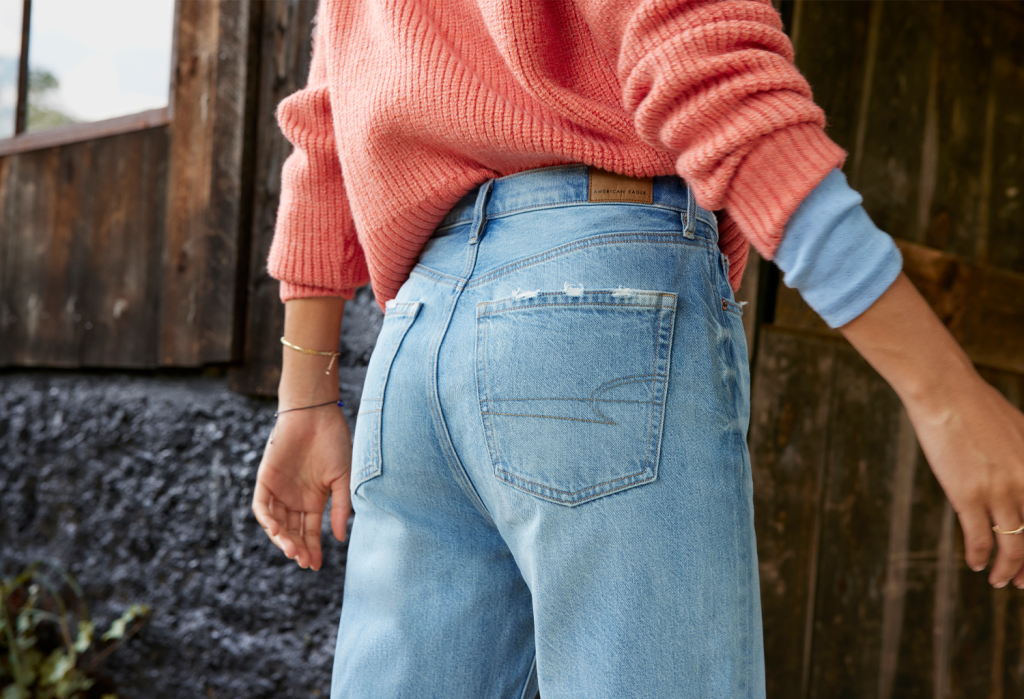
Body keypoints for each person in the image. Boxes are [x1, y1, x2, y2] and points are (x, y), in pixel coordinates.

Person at [251, 1, 1024, 696]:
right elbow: (707, 69)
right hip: (594, 304)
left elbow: (324, 133)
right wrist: (945, 394)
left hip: (416, 346)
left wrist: (307, 398)